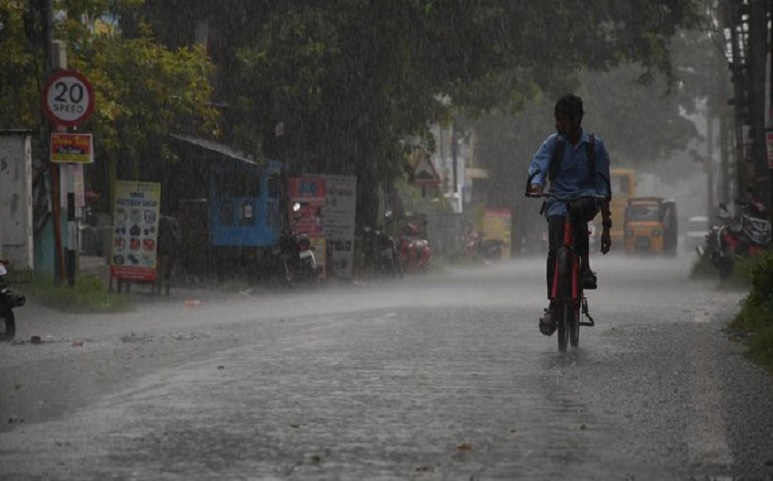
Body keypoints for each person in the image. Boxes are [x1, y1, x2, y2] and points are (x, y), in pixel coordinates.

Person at [527, 94, 612, 336]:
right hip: (556, 201)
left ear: (576, 120)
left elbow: (604, 189)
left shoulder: (595, 147)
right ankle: (554, 305)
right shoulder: (553, 144)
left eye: (562, 120)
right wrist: (536, 184)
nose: (557, 125)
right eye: (556, 119)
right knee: (555, 249)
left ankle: (584, 267)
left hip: (586, 200)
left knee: (577, 212)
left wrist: (606, 227)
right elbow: (538, 168)